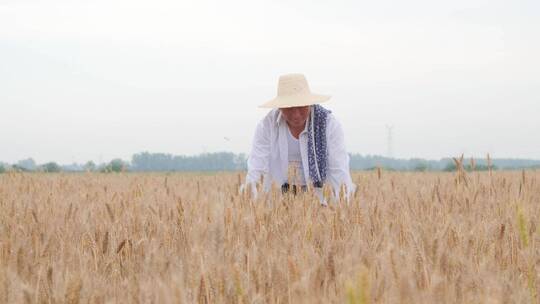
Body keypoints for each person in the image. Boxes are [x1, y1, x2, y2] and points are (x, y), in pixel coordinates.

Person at [243, 73, 356, 205]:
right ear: (280, 106)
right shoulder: (267, 126)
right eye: (289, 108)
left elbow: (339, 171)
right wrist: (252, 207)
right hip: (277, 204)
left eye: (301, 106)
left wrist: (341, 210)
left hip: (319, 202)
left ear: (309, 103)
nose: (296, 114)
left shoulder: (329, 125)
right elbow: (257, 168)